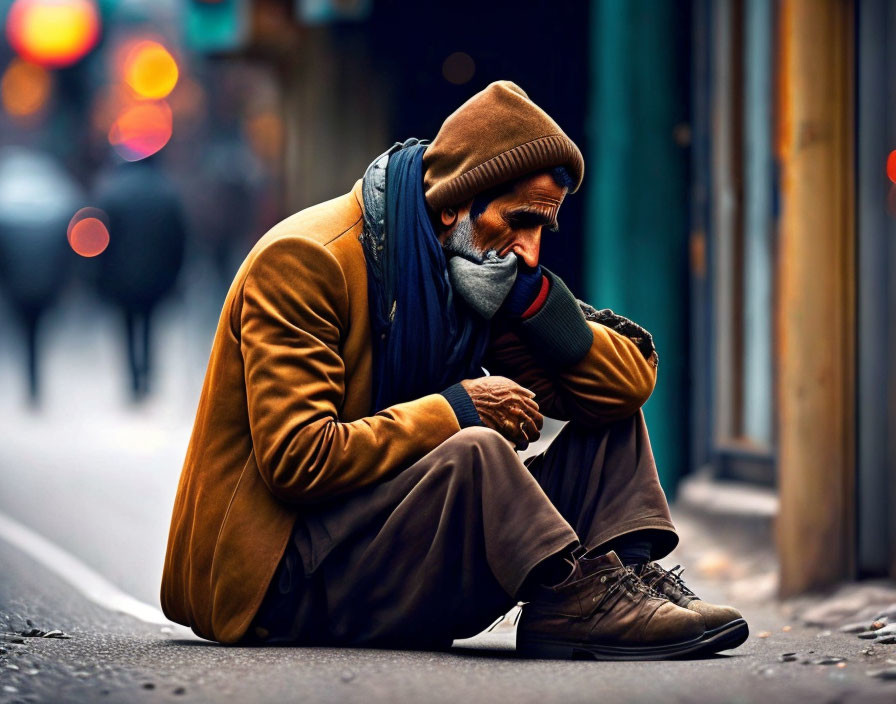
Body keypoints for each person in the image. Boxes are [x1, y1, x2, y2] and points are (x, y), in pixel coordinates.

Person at [160, 81, 748, 659]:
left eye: (543, 228)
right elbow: (297, 459)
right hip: (282, 579)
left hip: (383, 543)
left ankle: (618, 578)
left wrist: (535, 302)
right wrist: (457, 409)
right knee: (476, 452)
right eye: (519, 221)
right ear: (453, 206)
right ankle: (574, 597)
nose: (530, 249)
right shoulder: (306, 261)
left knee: (611, 423)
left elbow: (621, 388)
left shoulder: (471, 270)